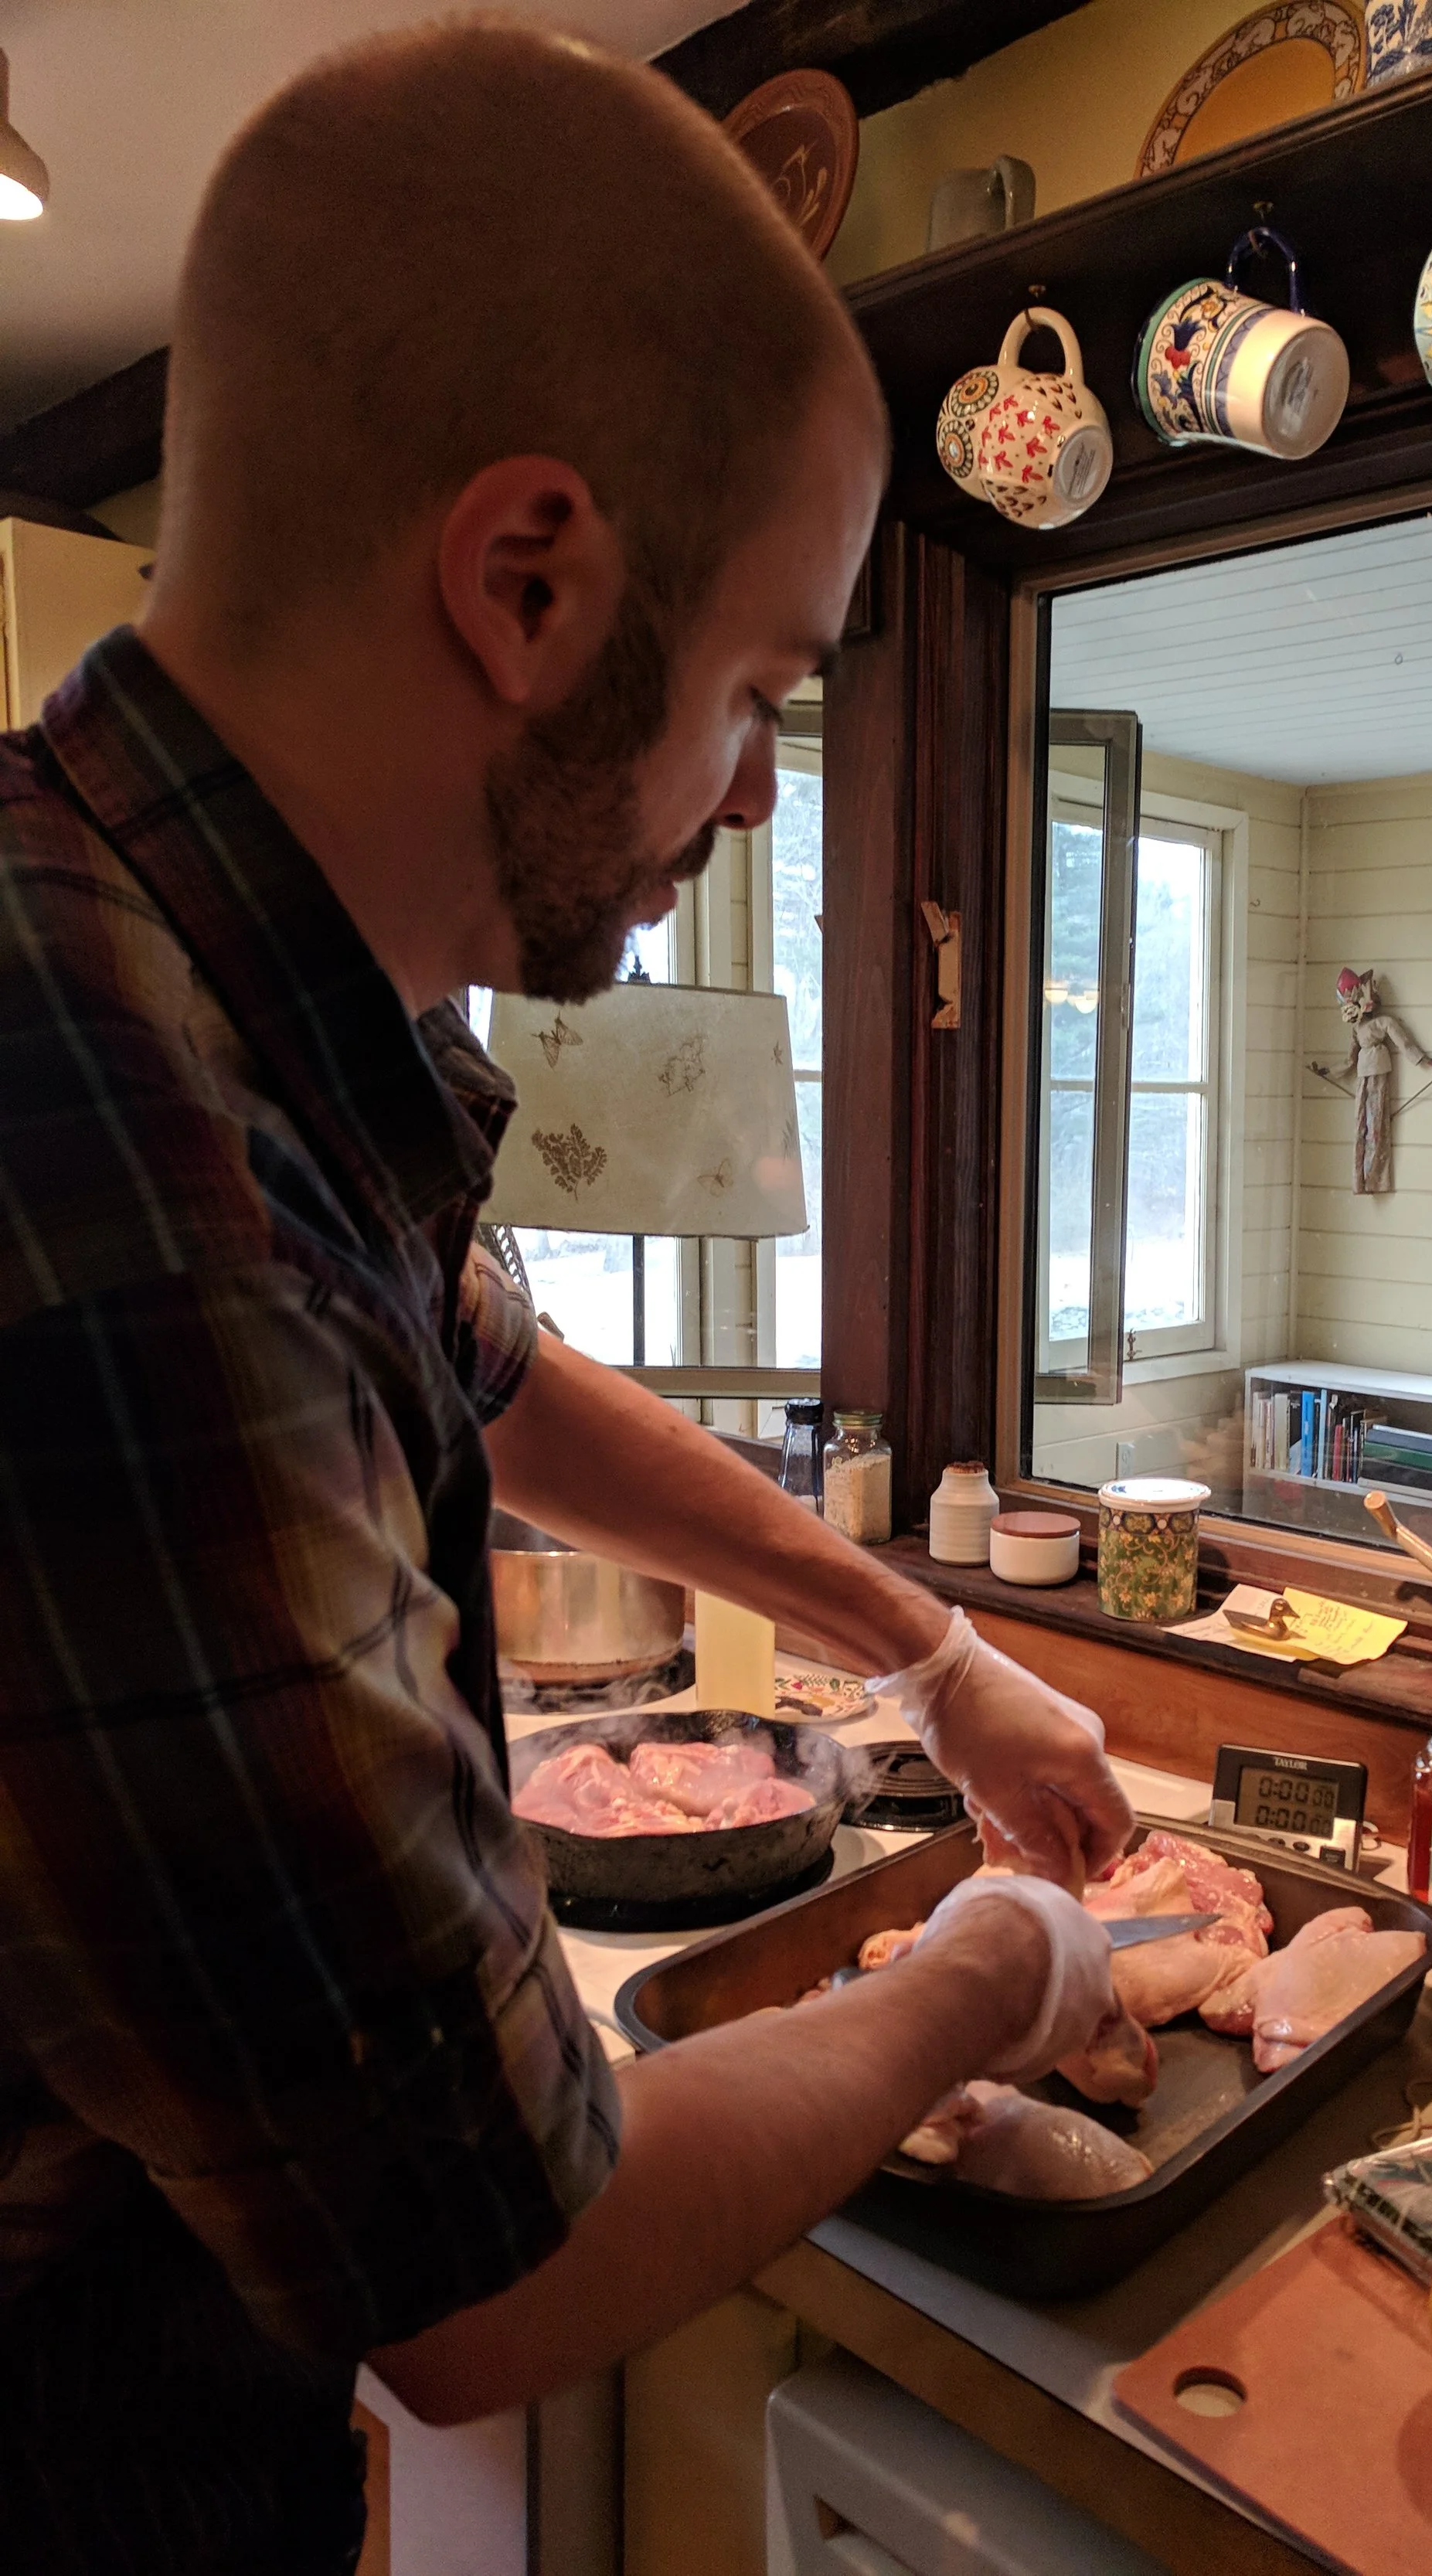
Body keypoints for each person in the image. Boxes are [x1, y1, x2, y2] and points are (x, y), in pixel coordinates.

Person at [0, 24, 1132, 2571]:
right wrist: (994, 1966)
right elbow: (496, 2270)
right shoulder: (122, 1173)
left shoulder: (169, 955)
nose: (751, 789)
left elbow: (478, 1351)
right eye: (752, 692)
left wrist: (921, 1645)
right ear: (527, 581)